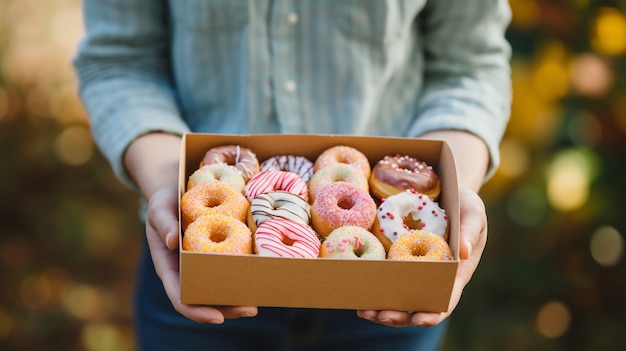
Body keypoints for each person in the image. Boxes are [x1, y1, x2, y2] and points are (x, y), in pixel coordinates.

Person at [73, 1, 512, 350]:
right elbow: (119, 61)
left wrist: (458, 185)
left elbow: (469, 66)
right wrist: (167, 180)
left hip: (391, 294)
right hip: (196, 275)